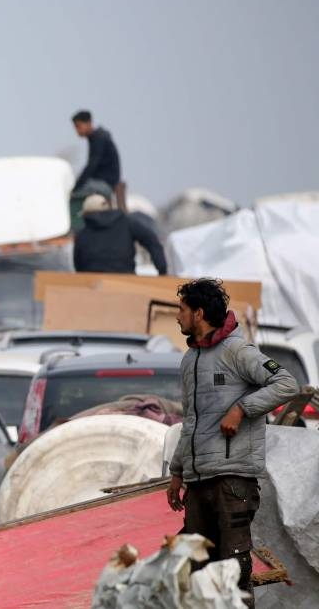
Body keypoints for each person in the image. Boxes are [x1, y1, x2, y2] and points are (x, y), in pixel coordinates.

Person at [167, 279, 299, 607]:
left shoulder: (237, 351)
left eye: (182, 309)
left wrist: (242, 408)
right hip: (199, 483)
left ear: (199, 313)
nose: (177, 317)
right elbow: (191, 423)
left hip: (233, 481)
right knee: (193, 568)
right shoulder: (190, 361)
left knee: (233, 566)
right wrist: (177, 471)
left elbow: (287, 383)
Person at [73, 193, 168, 275]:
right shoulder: (127, 223)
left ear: (86, 214)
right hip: (127, 281)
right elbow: (151, 240)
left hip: (93, 286)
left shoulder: (82, 235)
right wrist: (162, 268)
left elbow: (78, 266)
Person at [71, 110, 120, 193]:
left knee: (76, 192)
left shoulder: (98, 138)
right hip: (102, 181)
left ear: (89, 123)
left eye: (78, 126)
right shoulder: (96, 138)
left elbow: (91, 166)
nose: (77, 130)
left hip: (105, 183)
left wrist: (75, 188)